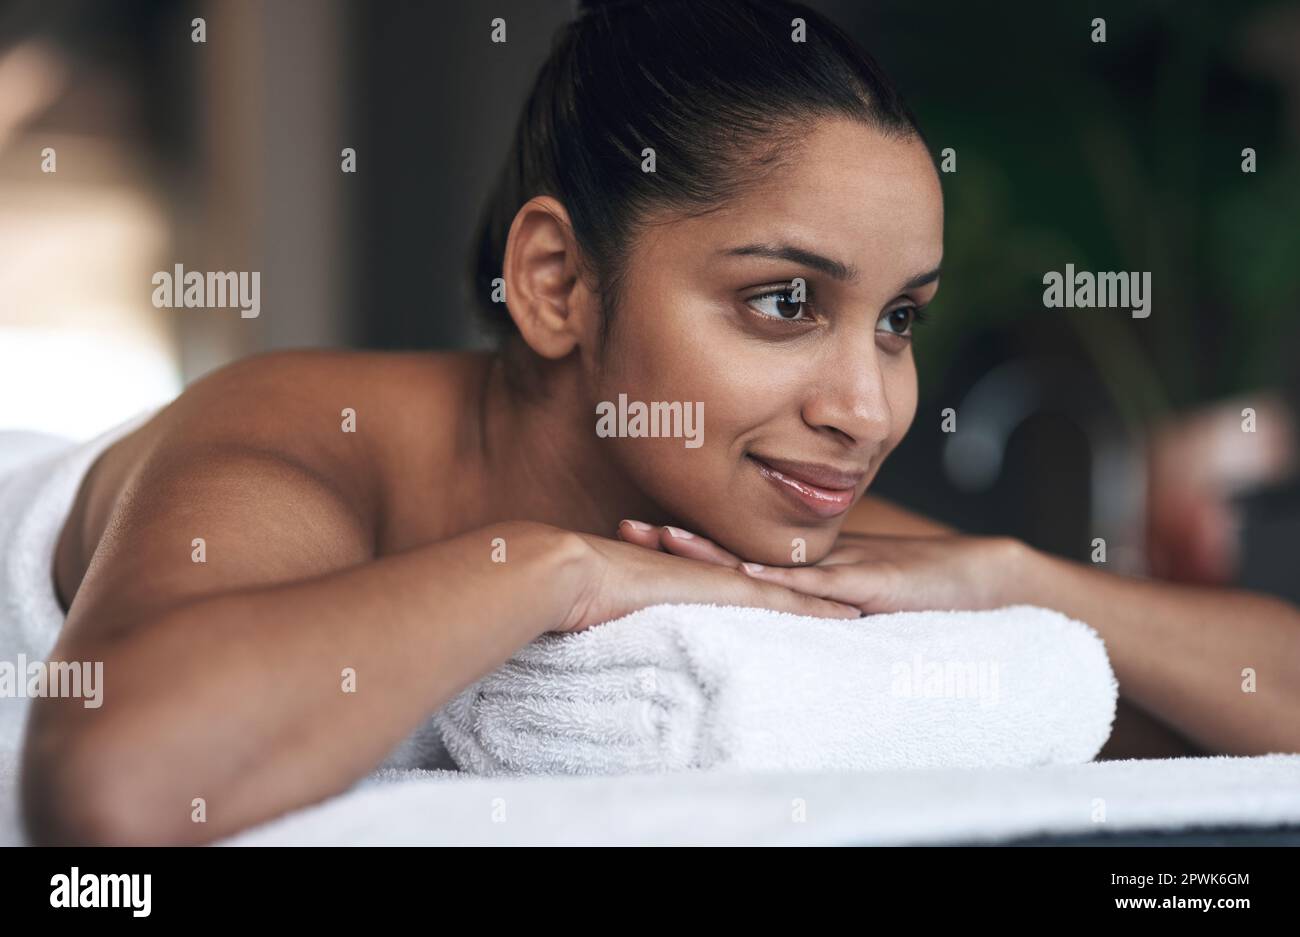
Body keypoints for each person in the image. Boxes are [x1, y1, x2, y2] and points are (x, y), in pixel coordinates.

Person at [23, 0, 1300, 846]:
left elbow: (1221, 702)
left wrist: (1015, 581)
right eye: (782, 301)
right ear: (557, 284)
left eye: (899, 321)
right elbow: (118, 788)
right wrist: (556, 566)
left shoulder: (752, 504)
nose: (866, 409)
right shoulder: (300, 431)